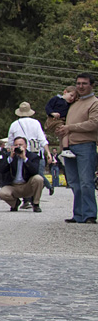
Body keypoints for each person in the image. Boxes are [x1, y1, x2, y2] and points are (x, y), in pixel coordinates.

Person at [56, 73, 98, 223]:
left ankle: (90, 215)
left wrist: (69, 128)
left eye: (84, 83)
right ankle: (79, 214)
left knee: (86, 181)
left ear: (91, 85)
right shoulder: (73, 103)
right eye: (78, 83)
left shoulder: (94, 103)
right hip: (69, 147)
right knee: (74, 182)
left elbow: (93, 123)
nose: (80, 86)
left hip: (86, 145)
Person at [7, 102, 53, 195]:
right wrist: (48, 153)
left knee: (23, 175)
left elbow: (10, 142)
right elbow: (42, 139)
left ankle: (26, 199)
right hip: (35, 153)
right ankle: (35, 198)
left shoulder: (14, 124)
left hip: (19, 153)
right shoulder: (36, 123)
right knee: (36, 175)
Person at [0, 136, 45, 212]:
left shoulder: (33, 156)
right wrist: (10, 158)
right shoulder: (8, 155)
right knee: (2, 193)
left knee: (38, 179)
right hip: (13, 186)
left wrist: (25, 158)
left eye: (20, 145)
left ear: (26, 146)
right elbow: (1, 170)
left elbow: (35, 171)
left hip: (27, 185)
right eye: (16, 145)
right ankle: (15, 203)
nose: (18, 147)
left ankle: (36, 204)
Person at [46, 85, 78, 158]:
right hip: (54, 120)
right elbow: (48, 107)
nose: (72, 98)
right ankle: (65, 149)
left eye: (74, 97)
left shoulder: (69, 104)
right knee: (64, 132)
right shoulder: (56, 99)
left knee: (62, 136)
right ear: (65, 92)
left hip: (62, 120)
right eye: (71, 95)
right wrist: (53, 113)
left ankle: (62, 150)